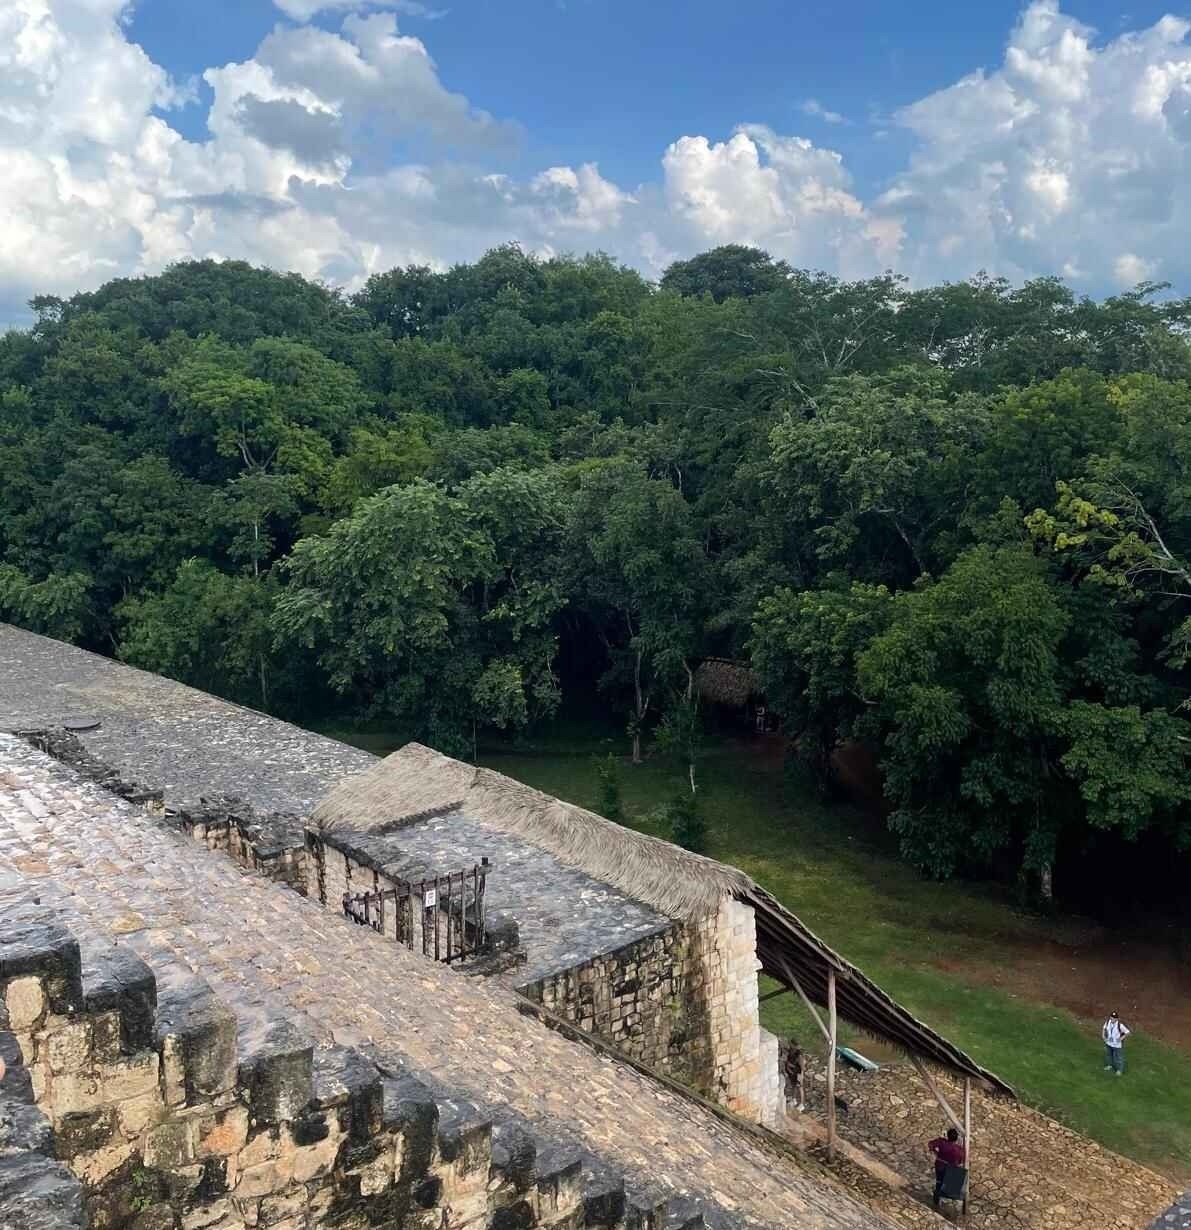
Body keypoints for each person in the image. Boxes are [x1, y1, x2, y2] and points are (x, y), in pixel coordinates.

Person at [927, 1127, 966, 1209]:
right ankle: (942, 1196)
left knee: (939, 1182)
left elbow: (930, 1144)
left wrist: (935, 1152)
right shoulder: (959, 1150)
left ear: (947, 1136)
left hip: (940, 1165)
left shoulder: (942, 1142)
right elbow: (960, 1161)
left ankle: (936, 1200)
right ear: (956, 1138)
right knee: (948, 1185)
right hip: (951, 1169)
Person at [1102, 1010, 1131, 1076]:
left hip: (1117, 1045)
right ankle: (1109, 1065)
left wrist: (1121, 1038)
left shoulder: (1120, 1025)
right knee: (1109, 1055)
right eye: (1111, 1017)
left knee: (1118, 1058)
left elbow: (1128, 1032)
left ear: (1117, 1019)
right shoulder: (1107, 1022)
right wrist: (1103, 1035)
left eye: (1114, 1018)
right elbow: (1104, 1028)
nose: (1112, 1019)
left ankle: (1119, 1070)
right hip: (1109, 1043)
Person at [783, 1038, 805, 1112]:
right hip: (792, 1072)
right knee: (793, 1086)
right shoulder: (790, 1051)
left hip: (798, 1072)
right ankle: (794, 1099)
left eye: (791, 1044)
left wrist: (801, 1076)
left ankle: (802, 1104)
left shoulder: (799, 1055)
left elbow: (802, 1066)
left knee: (800, 1087)